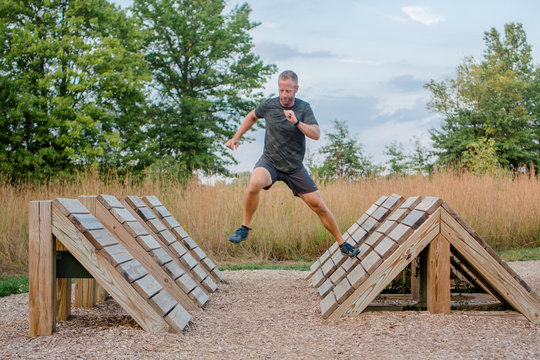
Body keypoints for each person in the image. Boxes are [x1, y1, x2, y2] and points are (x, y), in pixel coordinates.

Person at [225, 70, 359, 257]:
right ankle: (244, 228)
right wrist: (236, 137)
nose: (284, 95)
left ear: (296, 89)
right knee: (254, 182)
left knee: (318, 205)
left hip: (294, 168)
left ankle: (342, 243)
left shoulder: (304, 108)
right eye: (281, 90)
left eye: (288, 91)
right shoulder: (269, 105)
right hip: (270, 162)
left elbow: (316, 134)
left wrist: (296, 122)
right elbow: (252, 116)